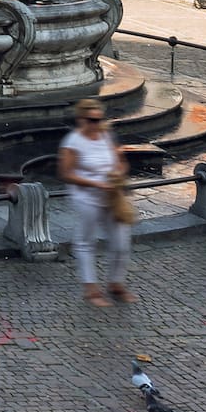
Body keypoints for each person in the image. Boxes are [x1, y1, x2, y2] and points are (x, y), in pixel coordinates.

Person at [57, 96, 133, 305]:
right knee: (85, 242)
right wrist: (96, 184)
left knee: (121, 243)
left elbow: (120, 161)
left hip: (111, 195)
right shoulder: (73, 142)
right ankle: (91, 289)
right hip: (86, 197)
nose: (96, 124)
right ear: (81, 120)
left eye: (99, 119)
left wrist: (119, 173)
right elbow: (66, 173)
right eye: (92, 120)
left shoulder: (106, 136)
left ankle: (116, 282)